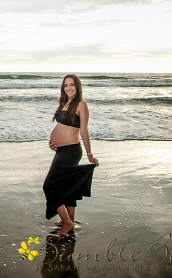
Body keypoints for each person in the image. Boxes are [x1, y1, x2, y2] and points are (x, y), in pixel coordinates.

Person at [43, 74, 99, 236]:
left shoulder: (81, 104)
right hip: (62, 151)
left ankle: (67, 223)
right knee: (67, 186)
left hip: (71, 151)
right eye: (66, 85)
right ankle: (70, 219)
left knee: (49, 186)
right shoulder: (64, 103)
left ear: (77, 86)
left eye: (72, 85)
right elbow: (62, 128)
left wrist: (89, 154)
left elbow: (83, 131)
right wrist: (53, 143)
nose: (69, 88)